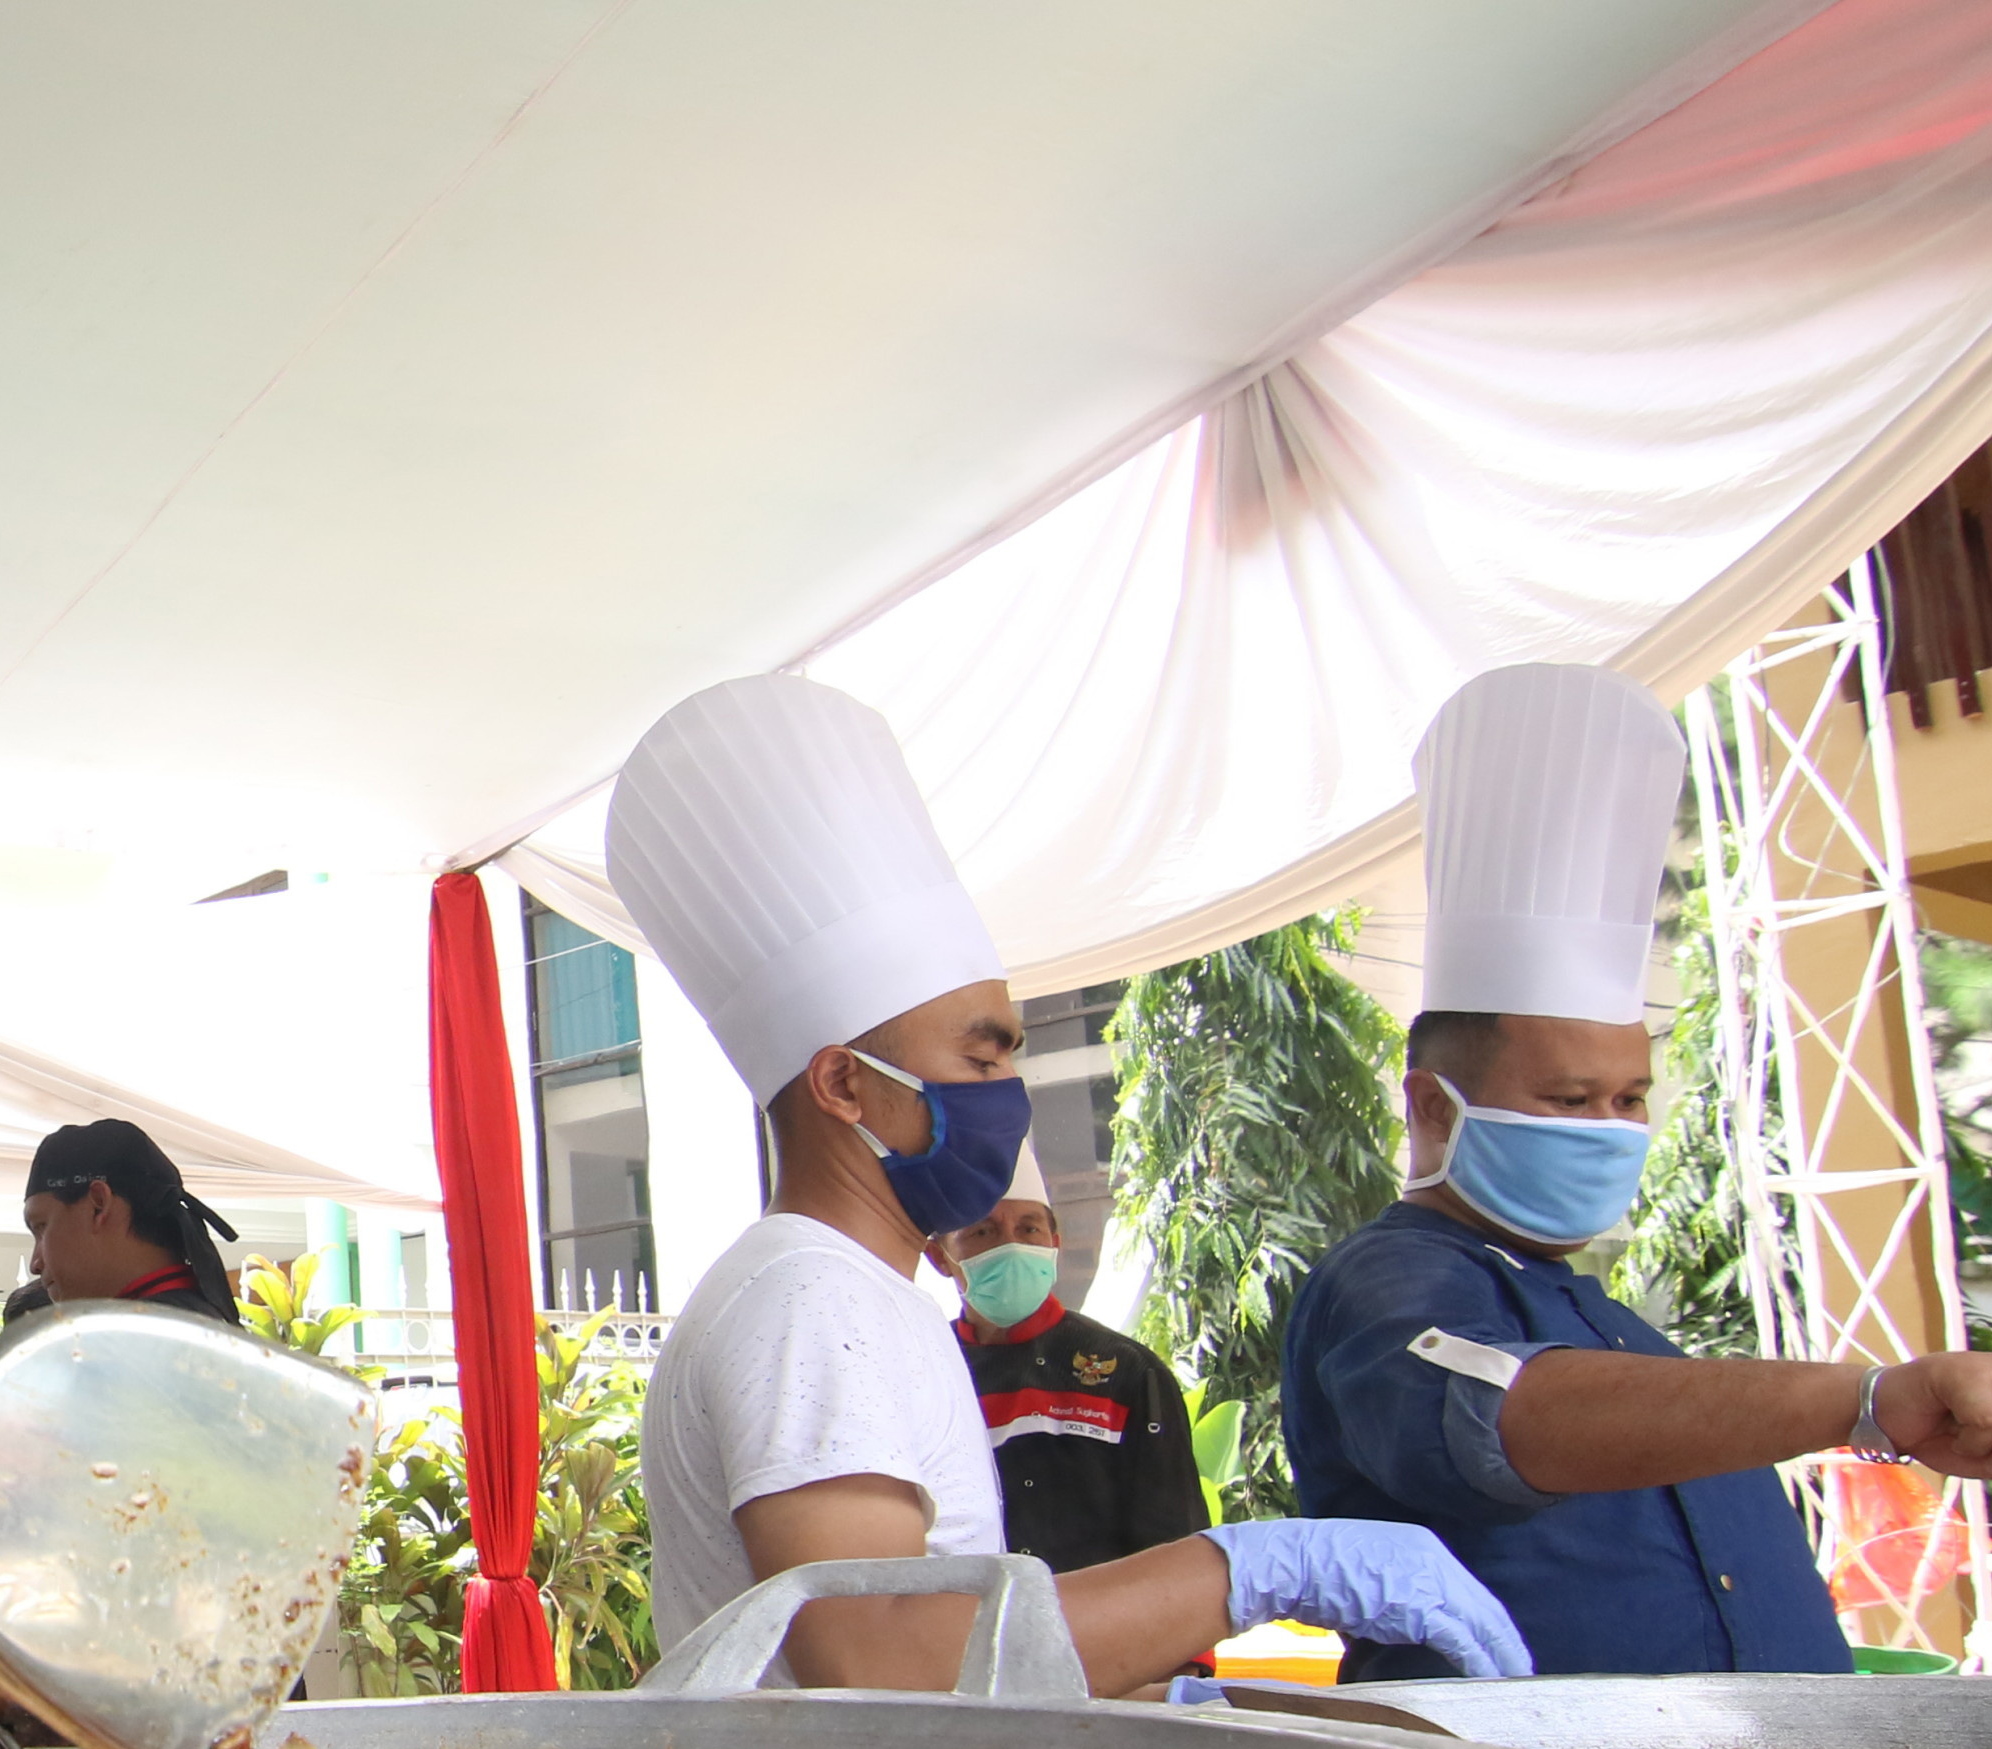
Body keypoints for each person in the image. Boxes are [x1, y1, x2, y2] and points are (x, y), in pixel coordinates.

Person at [605, 675, 1529, 1694]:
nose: (1011, 1096)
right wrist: (1253, 1570)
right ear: (844, 1085)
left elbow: (949, 1659)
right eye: (983, 1057)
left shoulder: (860, 1296)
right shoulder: (809, 1302)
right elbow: (881, 1663)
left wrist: (1157, 1697)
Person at [1280, 662, 1992, 1679]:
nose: (1611, 1130)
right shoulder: (1393, 1283)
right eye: (1570, 1101)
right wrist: (1868, 1400)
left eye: (1630, 1098)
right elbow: (1503, 1417)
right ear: (1433, 1108)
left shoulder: (1607, 1322)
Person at [929, 1139, 1209, 1571]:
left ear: (1054, 1242)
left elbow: (1177, 1557)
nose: (1012, 1246)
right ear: (939, 1257)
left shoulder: (1128, 1373)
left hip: (1103, 1633)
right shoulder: (921, 1371)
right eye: (983, 1231)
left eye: (1029, 1229)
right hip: (960, 1631)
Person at [3, 1117, 244, 1322]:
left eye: (41, 1227)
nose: (35, 1264)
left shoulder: (133, 1342)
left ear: (98, 1205)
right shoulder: (195, 1322)